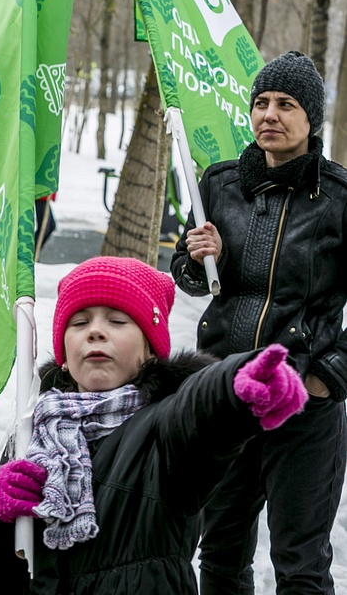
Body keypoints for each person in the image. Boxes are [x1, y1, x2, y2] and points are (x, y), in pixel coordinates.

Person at [0, 256, 309, 595]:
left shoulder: (164, 430)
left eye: (117, 320)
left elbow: (201, 410)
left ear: (150, 351)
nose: (96, 331)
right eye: (79, 323)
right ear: (64, 357)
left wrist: (233, 386)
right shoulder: (33, 438)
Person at [171, 49, 347, 595]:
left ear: (311, 119)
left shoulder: (339, 198)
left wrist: (328, 375)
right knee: (220, 552)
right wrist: (203, 259)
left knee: (301, 561)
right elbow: (189, 276)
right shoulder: (221, 185)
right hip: (227, 395)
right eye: (261, 103)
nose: (269, 114)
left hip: (304, 404)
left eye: (286, 105)